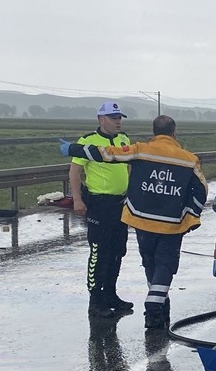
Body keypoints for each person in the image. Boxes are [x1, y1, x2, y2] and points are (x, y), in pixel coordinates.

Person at [62, 115, 208, 329]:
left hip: (141, 219)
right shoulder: (188, 159)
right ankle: (154, 303)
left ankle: (156, 300)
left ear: (154, 133)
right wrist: (191, 215)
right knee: (164, 264)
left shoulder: (140, 150)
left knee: (149, 261)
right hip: (171, 222)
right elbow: (201, 189)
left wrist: (72, 149)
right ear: (174, 133)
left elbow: (105, 154)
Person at [70, 101, 133, 318]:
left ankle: (110, 294)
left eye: (119, 118)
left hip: (120, 204)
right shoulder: (87, 141)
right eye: (114, 118)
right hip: (99, 204)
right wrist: (77, 200)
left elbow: (129, 167)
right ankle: (95, 300)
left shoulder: (124, 139)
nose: (118, 121)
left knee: (118, 251)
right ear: (101, 119)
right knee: (99, 251)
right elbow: (75, 172)